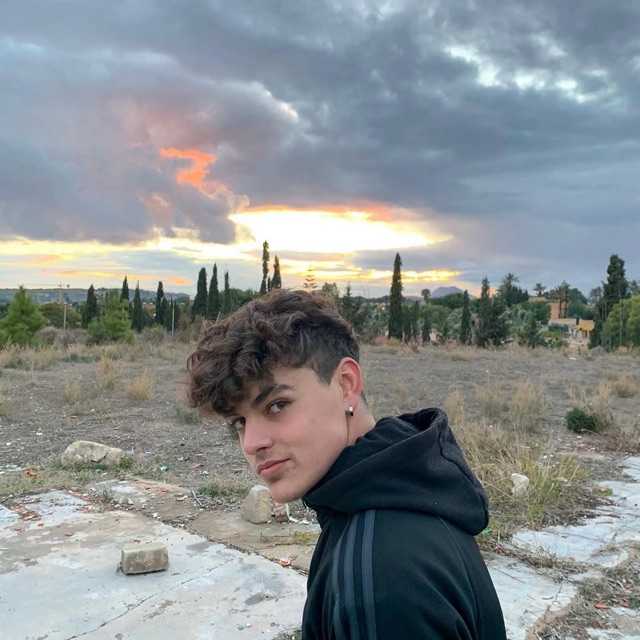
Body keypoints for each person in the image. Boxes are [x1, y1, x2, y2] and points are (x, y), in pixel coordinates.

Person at [187, 288, 506, 639]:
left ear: (346, 385)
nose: (252, 443)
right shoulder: (403, 489)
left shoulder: (378, 583)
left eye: (276, 405)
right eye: (240, 422)